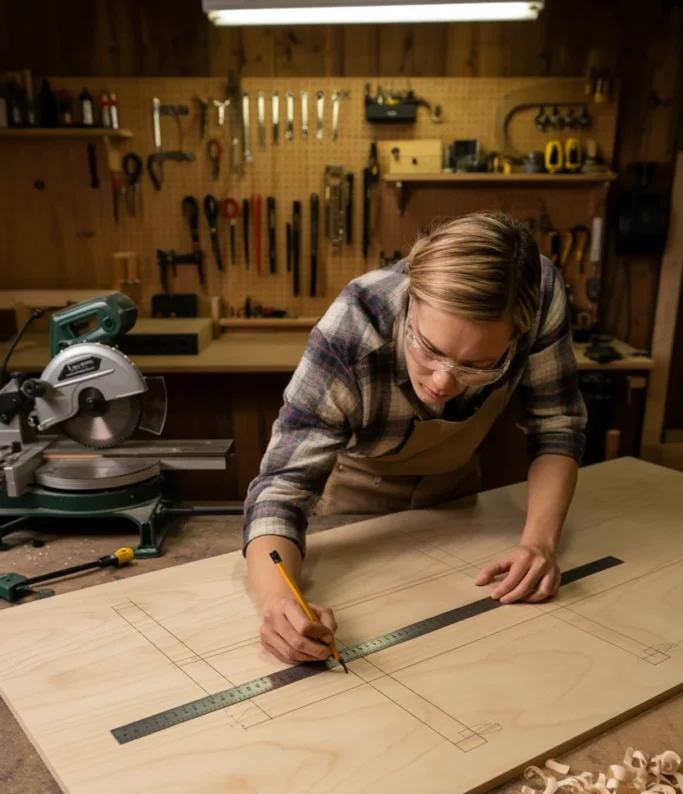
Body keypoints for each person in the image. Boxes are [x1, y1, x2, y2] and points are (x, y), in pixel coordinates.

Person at [243, 211, 586, 666]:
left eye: (477, 365)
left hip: (457, 503)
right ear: (411, 303)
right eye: (430, 349)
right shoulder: (352, 329)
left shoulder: (539, 295)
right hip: (357, 503)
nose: (444, 382)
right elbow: (281, 489)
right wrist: (276, 603)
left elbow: (557, 425)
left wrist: (539, 544)